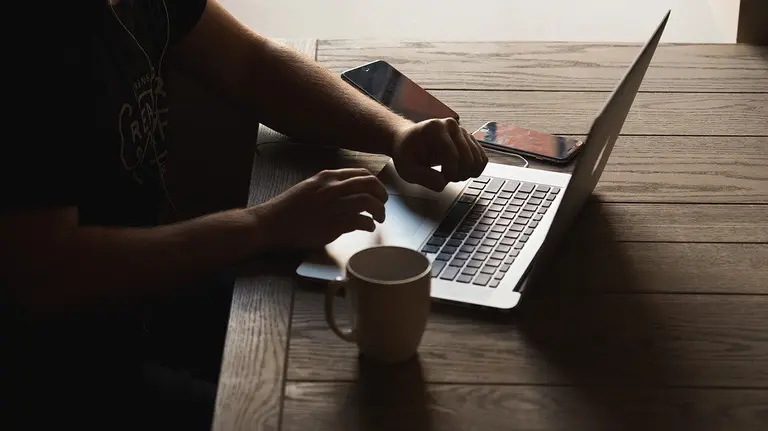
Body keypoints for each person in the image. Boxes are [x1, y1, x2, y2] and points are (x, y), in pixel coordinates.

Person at [0, 0, 487, 429]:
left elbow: (255, 66)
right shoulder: (34, 31)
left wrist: (396, 134)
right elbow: (48, 272)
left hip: (143, 296)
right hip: (61, 366)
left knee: (345, 332)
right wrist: (265, 224)